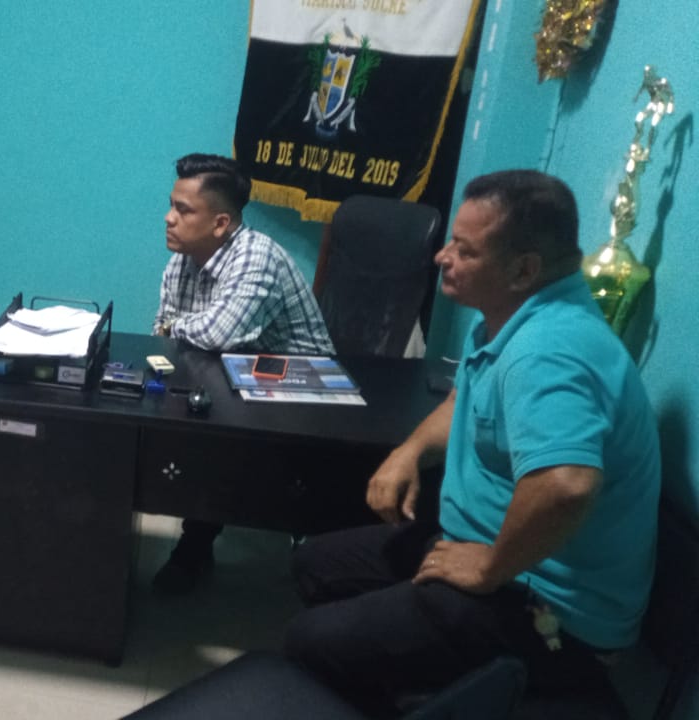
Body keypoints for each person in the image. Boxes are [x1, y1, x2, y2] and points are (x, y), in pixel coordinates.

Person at [282, 170, 660, 715]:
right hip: (484, 548)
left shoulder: (548, 350)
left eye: (464, 250)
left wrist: (487, 568)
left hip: (548, 608)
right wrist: (410, 451)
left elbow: (567, 485)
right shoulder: (509, 318)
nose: (443, 257)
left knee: (310, 641)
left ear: (523, 269)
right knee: (316, 564)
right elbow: (466, 400)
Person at [151, 153, 335, 595]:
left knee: (210, 436)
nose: (169, 218)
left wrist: (178, 328)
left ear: (221, 223)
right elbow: (163, 335)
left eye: (183, 210)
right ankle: (197, 535)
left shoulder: (257, 256)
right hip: (234, 374)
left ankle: (198, 540)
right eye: (172, 205)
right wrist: (179, 330)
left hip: (303, 391)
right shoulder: (183, 259)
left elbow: (216, 333)